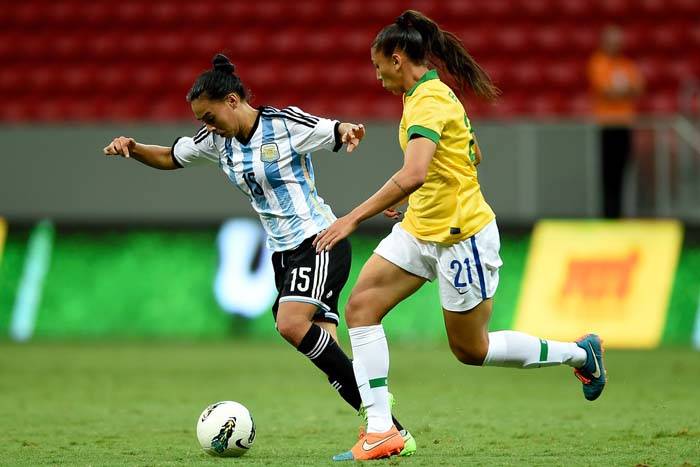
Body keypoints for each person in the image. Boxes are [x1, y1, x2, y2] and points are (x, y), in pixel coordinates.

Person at [313, 11, 607, 461]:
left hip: (461, 237)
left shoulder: (429, 100)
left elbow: (414, 172)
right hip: (421, 228)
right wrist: (423, 197)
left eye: (378, 65)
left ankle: (581, 355)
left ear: (397, 58)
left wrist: (352, 218)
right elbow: (471, 156)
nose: (376, 75)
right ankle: (380, 429)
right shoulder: (424, 95)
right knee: (361, 308)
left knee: (471, 349)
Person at [102, 53, 416, 456]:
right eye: (201, 120)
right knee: (327, 352)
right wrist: (133, 148)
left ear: (232, 101)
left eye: (210, 116)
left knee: (290, 323)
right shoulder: (217, 141)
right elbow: (170, 156)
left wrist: (347, 130)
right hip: (283, 254)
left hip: (318, 239)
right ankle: (389, 430)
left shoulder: (282, 125)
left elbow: (332, 130)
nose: (206, 125)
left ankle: (375, 406)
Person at [588, 25, 644, 218]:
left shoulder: (626, 65)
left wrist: (620, 92)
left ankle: (620, 214)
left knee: (624, 171)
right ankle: (609, 215)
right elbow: (606, 91)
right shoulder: (598, 62)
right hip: (607, 125)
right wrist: (624, 91)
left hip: (625, 125)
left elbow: (638, 88)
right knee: (608, 174)